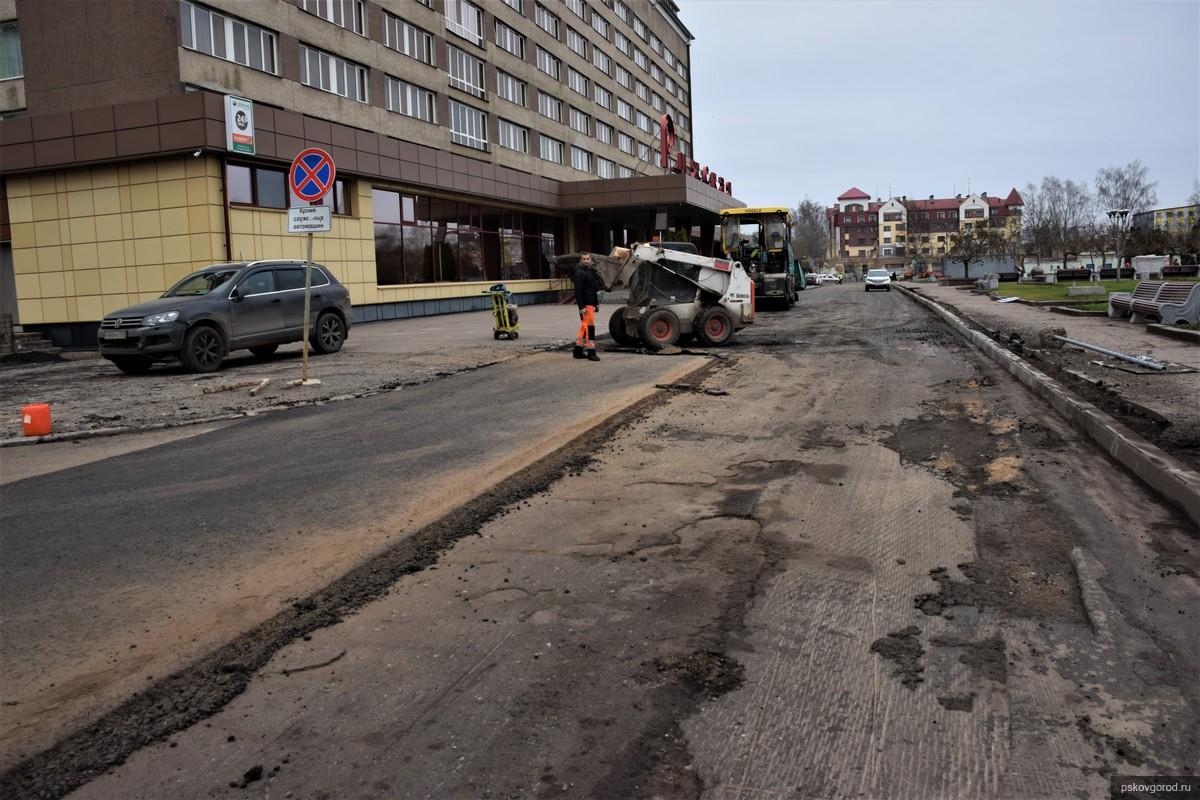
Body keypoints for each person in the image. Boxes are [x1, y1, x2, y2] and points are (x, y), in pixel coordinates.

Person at [573, 252, 600, 361]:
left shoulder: (589, 271)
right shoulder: (580, 273)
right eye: (584, 259)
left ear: (590, 260)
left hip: (590, 304)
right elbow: (578, 291)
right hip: (586, 305)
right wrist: (581, 306)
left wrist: (596, 303)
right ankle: (591, 353)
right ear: (580, 260)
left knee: (584, 327)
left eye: (587, 259)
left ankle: (578, 351)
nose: (586, 261)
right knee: (590, 328)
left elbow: (593, 289)